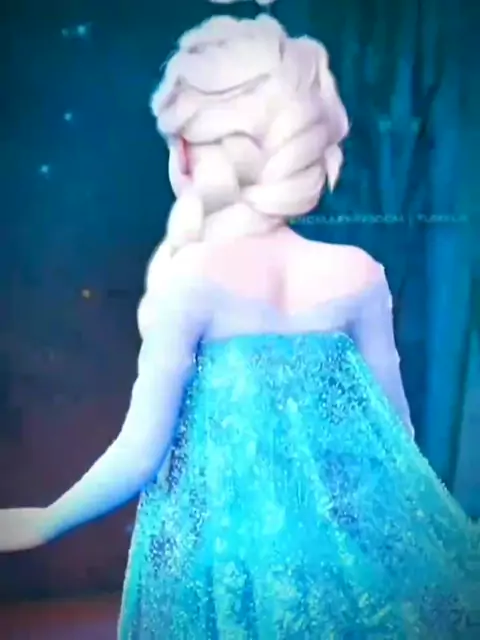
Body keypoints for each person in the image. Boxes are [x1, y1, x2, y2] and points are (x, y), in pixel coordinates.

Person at [0, 2, 478, 638]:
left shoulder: (191, 279)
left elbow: (140, 453)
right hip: (340, 567)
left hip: (223, 575)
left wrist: (47, 520)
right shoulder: (360, 274)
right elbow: (397, 446)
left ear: (188, 153)